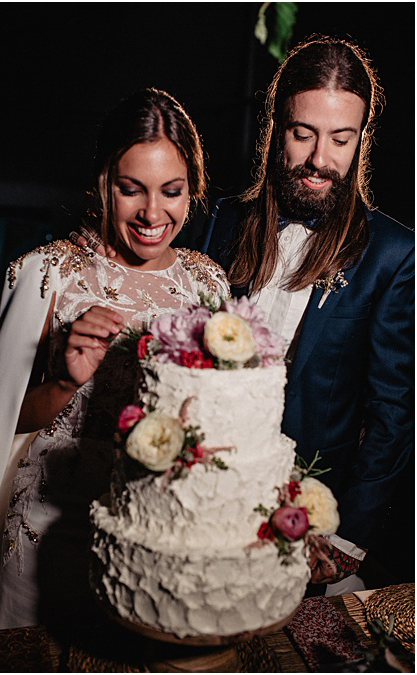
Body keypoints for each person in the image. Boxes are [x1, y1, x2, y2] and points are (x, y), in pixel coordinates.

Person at [0, 89, 229, 629]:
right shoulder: (47, 273)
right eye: (131, 190)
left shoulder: (208, 283)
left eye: (171, 192)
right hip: (51, 534)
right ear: (104, 183)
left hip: (157, 544)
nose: (153, 213)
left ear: (191, 190)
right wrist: (63, 380)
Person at [199, 37, 412, 596]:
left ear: (360, 141)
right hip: (204, 501)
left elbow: (392, 412)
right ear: (275, 131)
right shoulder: (221, 222)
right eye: (304, 134)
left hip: (310, 526)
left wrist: (348, 540)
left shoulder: (394, 253)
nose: (321, 159)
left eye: (341, 139)